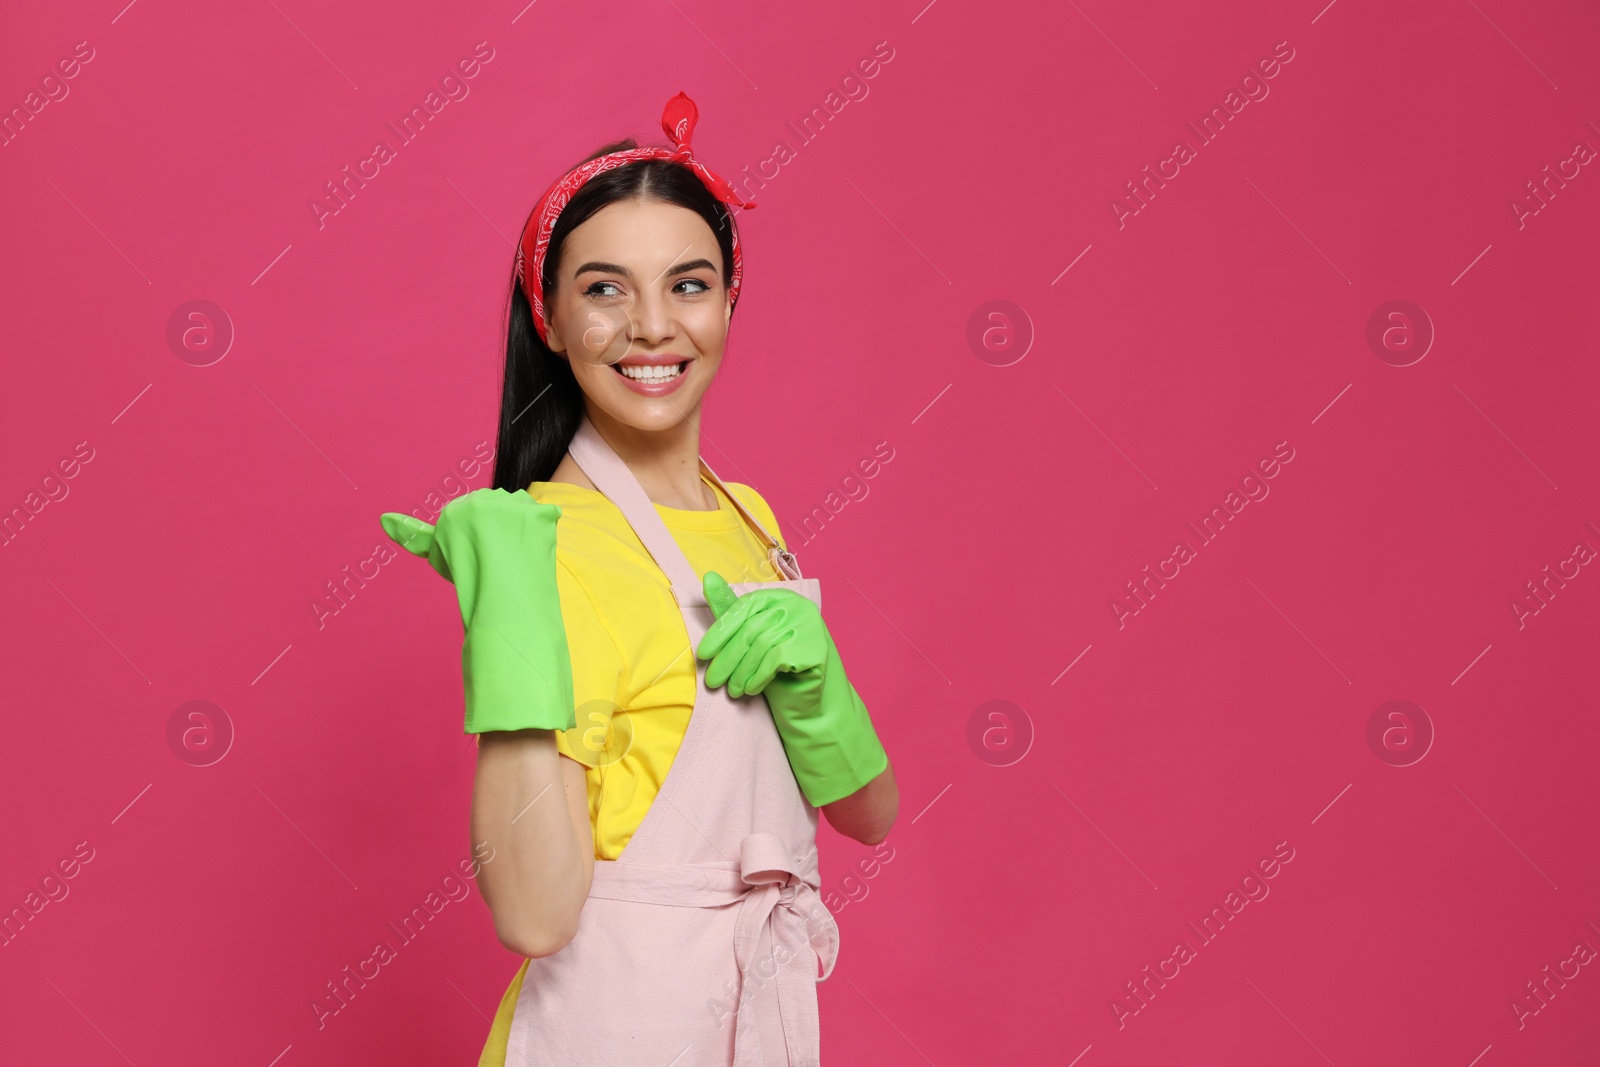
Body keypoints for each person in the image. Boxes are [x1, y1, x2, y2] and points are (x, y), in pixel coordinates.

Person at [380, 92, 897, 1066]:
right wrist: (512, 618)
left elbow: (867, 815)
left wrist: (824, 693)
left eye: (689, 284)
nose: (653, 327)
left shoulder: (748, 515)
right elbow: (535, 912)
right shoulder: (547, 546)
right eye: (606, 289)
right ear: (551, 312)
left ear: (732, 298)